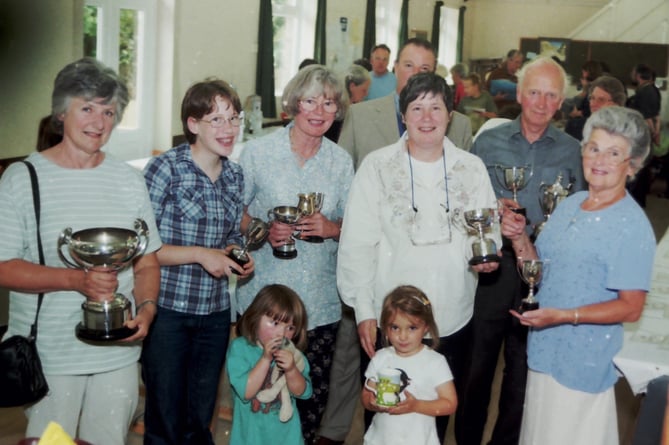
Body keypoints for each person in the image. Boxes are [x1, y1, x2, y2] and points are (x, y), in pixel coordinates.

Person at [0, 57, 161, 444]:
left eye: (108, 111)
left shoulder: (128, 179)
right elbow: (3, 266)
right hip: (51, 355)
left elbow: (147, 262)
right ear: (61, 112)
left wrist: (147, 309)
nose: (99, 121)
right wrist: (77, 280)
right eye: (86, 108)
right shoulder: (23, 178)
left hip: (117, 354)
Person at [337, 72, 500, 443]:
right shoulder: (377, 167)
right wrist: (363, 309)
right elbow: (357, 244)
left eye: (436, 108)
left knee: (434, 420)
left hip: (450, 318)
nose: (427, 118)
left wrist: (487, 256)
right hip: (391, 320)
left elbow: (485, 232)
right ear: (403, 115)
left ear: (450, 115)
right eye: (417, 108)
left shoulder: (471, 169)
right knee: (384, 414)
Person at [501, 105, 656, 444]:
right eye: (594, 148)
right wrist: (518, 238)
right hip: (544, 350)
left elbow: (631, 307)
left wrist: (565, 316)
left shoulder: (632, 226)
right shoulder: (572, 204)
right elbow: (538, 271)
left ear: (632, 166)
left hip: (583, 360)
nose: (600, 160)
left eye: (614, 153)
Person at [456, 56, 587, 445]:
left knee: (523, 372)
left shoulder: (573, 151)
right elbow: (466, 203)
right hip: (492, 269)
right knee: (475, 368)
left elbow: (578, 216)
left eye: (551, 95)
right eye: (534, 92)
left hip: (542, 274)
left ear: (561, 101)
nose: (542, 103)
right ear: (519, 92)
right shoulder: (488, 141)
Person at [238, 64, 354, 443]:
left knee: (308, 397)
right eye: (310, 101)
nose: (319, 112)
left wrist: (332, 228)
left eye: (329, 103)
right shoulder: (257, 152)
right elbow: (235, 214)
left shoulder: (340, 162)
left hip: (318, 307)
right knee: (257, 401)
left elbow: (357, 225)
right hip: (264, 302)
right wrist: (262, 229)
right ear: (293, 104)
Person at [141, 79, 252, 445]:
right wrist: (201, 255)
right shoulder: (165, 169)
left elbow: (231, 238)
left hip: (215, 313)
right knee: (165, 419)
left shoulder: (235, 175)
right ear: (193, 124)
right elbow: (142, 249)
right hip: (169, 310)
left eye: (233, 118)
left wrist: (239, 257)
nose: (228, 129)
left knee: (200, 419)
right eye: (216, 120)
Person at [339, 37, 473, 170]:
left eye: (424, 68)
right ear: (396, 67)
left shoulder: (459, 126)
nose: (415, 74)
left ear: (434, 72)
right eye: (409, 65)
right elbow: (341, 175)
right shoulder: (359, 116)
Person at [362, 286, 457, 445]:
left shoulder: (435, 362)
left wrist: (416, 405)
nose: (403, 336)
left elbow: (449, 404)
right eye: (395, 327)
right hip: (379, 440)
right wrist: (373, 403)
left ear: (426, 327)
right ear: (385, 328)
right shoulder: (380, 358)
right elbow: (366, 396)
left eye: (412, 328)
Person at [227, 284, 312, 445]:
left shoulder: (294, 355)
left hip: (288, 439)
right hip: (250, 439)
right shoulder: (240, 349)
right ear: (255, 317)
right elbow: (246, 392)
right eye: (275, 323)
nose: (282, 333)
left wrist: (292, 369)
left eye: (290, 327)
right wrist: (265, 359)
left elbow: (303, 392)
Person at [627, 63, 661, 208]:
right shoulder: (654, 90)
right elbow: (657, 115)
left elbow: (647, 116)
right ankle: (640, 201)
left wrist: (653, 133)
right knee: (644, 167)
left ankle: (636, 202)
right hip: (648, 133)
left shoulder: (644, 92)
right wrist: (657, 132)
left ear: (638, 76)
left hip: (642, 133)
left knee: (638, 168)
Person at [324, 64, 371, 142]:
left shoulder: (354, 108)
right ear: (352, 86)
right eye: (364, 90)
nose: (366, 94)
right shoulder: (337, 110)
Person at [563, 60, 607, 141]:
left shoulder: (592, 89)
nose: (582, 75)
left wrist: (578, 113)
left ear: (587, 72)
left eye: (583, 72)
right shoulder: (599, 85)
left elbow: (588, 110)